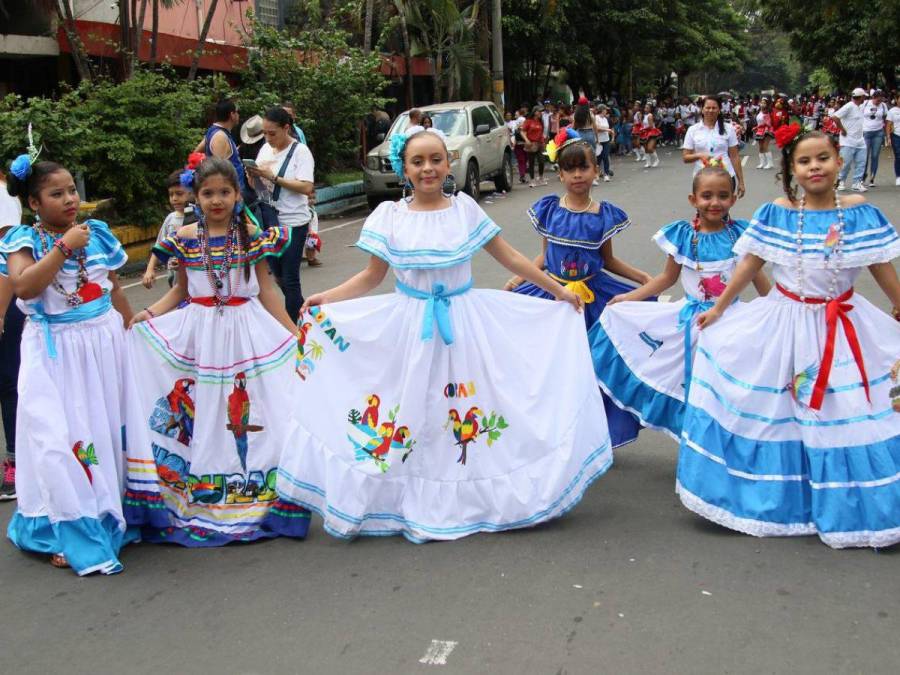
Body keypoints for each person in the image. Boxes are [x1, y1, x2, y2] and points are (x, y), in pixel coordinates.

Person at [275, 128, 614, 541]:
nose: (428, 168)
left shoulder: (465, 209)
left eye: (435, 159)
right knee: (415, 408)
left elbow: (507, 255)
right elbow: (371, 276)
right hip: (410, 327)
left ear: (448, 163)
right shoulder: (391, 216)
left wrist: (557, 290)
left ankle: (475, 496)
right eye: (418, 162)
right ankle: (408, 496)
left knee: (469, 405)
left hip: (466, 324)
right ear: (405, 169)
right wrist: (327, 297)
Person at [676, 126, 900, 548]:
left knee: (845, 414)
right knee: (780, 412)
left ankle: (851, 506)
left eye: (823, 158)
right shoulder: (778, 212)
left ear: (838, 161)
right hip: (783, 323)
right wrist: (720, 307)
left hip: (843, 326)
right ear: (791, 170)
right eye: (804, 161)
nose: (814, 167)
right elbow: (749, 264)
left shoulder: (858, 212)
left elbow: (880, 266)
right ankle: (779, 499)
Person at [124, 157, 311, 546]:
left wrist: (295, 333)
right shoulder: (184, 237)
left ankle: (267, 495)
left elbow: (268, 290)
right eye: (207, 193)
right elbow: (179, 289)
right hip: (201, 333)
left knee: (267, 410)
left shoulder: (251, 236)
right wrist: (148, 314)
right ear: (195, 196)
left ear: (237, 194)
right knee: (207, 411)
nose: (216, 200)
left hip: (247, 332)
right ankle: (205, 489)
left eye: (224, 192)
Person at [0, 155, 134, 574]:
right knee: (58, 437)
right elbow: (24, 286)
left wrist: (132, 326)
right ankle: (65, 525)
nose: (70, 199)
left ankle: (107, 510)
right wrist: (63, 247)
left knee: (104, 428)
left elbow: (112, 287)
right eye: (56, 194)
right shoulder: (22, 240)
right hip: (54, 351)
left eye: (72, 190)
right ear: (34, 203)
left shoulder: (98, 234)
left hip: (102, 344)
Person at [587, 165, 770, 440]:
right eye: (706, 195)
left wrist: (781, 311)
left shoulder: (742, 235)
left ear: (733, 198)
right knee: (694, 387)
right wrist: (629, 297)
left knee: (727, 389)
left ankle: (725, 442)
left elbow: (757, 277)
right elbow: (666, 278)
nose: (714, 202)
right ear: (693, 199)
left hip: (732, 325)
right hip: (691, 325)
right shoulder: (684, 236)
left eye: (723, 195)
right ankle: (696, 441)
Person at [508, 128, 652, 447]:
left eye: (583, 167)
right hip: (553, 297)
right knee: (550, 366)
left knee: (593, 366)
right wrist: (521, 278)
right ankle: (552, 431)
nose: (577, 175)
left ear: (595, 170)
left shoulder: (603, 216)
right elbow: (545, 258)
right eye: (570, 169)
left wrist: (642, 278)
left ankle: (594, 432)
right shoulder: (549, 210)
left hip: (592, 299)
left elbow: (608, 261)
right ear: (559, 173)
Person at [246, 107, 316, 323]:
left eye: (272, 133)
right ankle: (308, 316)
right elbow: (259, 188)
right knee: (277, 277)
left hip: (294, 221)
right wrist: (254, 176)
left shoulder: (301, 151)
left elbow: (306, 187)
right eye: (265, 133)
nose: (268, 138)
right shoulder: (266, 150)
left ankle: (294, 331)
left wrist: (273, 177)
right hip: (269, 221)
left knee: (290, 278)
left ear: (286, 128)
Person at [0, 169, 23, 501]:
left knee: (9, 382)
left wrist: (1, 312)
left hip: (3, 299)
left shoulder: (3, 195)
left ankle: (16, 462)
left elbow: (5, 258)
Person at [681, 95, 746, 198]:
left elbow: (735, 157)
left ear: (719, 110)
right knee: (703, 210)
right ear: (702, 109)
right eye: (707, 107)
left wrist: (741, 182)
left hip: (726, 177)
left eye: (714, 108)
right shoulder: (693, 130)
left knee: (722, 210)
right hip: (702, 178)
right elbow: (685, 157)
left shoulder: (728, 129)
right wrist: (699, 156)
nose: (710, 110)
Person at [141, 170, 192, 289]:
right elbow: (160, 246)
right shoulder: (171, 218)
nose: (174, 198)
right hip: (175, 278)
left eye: (179, 194)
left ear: (193, 192)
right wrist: (150, 270)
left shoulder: (201, 218)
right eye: (171, 194)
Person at [195, 99, 248, 196]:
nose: (238, 115)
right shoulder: (220, 137)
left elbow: (196, 152)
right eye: (237, 112)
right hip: (231, 195)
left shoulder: (213, 130)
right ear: (232, 115)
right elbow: (221, 171)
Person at [832, 88, 868, 192]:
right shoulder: (849, 106)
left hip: (860, 140)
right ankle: (841, 181)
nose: (864, 98)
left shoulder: (859, 107)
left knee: (861, 162)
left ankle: (857, 183)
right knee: (845, 163)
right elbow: (835, 117)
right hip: (848, 141)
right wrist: (842, 129)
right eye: (864, 97)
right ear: (860, 97)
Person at [861, 90, 888, 187]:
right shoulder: (865, 104)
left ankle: (872, 178)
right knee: (865, 156)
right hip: (866, 132)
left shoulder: (883, 106)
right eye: (877, 100)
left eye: (880, 100)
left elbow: (885, 119)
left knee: (875, 156)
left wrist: (886, 134)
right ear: (873, 97)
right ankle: (862, 176)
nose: (878, 102)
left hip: (878, 132)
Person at [522, 106, 547, 187]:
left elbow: (541, 133)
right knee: (531, 162)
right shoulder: (528, 121)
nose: (540, 113)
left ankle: (541, 177)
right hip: (531, 144)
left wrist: (543, 142)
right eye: (539, 111)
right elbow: (522, 132)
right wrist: (527, 140)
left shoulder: (540, 122)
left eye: (541, 112)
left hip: (539, 143)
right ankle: (532, 180)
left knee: (542, 161)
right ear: (535, 112)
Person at [753, 98, 775, 169]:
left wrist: (761, 127)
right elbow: (760, 122)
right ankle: (762, 163)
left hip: (767, 131)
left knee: (765, 147)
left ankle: (770, 163)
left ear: (767, 105)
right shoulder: (759, 111)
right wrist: (756, 127)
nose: (762, 104)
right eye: (761, 102)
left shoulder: (767, 112)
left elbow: (768, 123)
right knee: (760, 147)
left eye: (764, 103)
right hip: (759, 131)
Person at [594, 104, 614, 181]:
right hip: (599, 140)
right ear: (602, 110)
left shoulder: (605, 119)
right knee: (598, 158)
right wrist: (607, 130)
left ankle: (606, 174)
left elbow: (608, 128)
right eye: (605, 109)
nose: (606, 111)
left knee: (605, 157)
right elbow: (597, 128)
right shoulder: (596, 118)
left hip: (606, 140)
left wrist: (610, 134)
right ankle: (596, 174)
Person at [640, 102, 662, 168]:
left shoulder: (650, 115)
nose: (645, 109)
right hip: (645, 132)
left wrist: (643, 128)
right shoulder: (643, 115)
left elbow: (651, 126)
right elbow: (642, 124)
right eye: (645, 108)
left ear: (650, 109)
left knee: (650, 148)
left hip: (651, 132)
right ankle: (648, 162)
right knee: (646, 148)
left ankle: (656, 160)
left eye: (647, 108)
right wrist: (641, 128)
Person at [887, 92, 900, 187]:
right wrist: (888, 137)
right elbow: (888, 124)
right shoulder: (892, 111)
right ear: (897, 100)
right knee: (898, 156)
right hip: (896, 135)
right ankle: (898, 177)